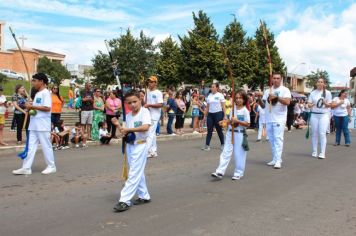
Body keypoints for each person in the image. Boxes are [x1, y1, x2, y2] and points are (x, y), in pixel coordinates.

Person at [112, 91, 152, 213]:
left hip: (140, 145)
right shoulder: (128, 116)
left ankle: (124, 200)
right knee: (137, 171)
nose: (132, 105)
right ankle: (144, 195)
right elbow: (124, 132)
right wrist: (117, 125)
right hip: (130, 146)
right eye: (129, 103)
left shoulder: (145, 112)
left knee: (134, 173)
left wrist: (129, 128)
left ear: (140, 100)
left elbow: (146, 127)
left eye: (135, 101)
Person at [12, 73, 56, 175]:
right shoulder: (37, 94)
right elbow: (37, 109)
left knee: (46, 146)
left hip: (42, 125)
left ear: (41, 81)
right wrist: (30, 107)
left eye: (34, 80)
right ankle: (26, 167)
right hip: (34, 124)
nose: (33, 83)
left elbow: (47, 108)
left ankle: (51, 166)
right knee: (30, 147)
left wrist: (32, 107)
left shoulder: (46, 93)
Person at [211, 90, 250, 180]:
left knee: (238, 154)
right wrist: (224, 122)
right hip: (230, 133)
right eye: (236, 98)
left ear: (244, 99)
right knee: (225, 152)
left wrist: (238, 121)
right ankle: (220, 171)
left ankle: (238, 172)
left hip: (239, 134)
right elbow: (230, 120)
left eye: (240, 98)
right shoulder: (233, 109)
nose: (238, 100)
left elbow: (247, 124)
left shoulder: (245, 111)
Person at [260, 73, 291, 169]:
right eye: (274, 78)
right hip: (269, 118)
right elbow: (263, 105)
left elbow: (287, 102)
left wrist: (276, 97)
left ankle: (278, 160)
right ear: (272, 79)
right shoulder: (267, 91)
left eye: (278, 78)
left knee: (278, 139)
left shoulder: (285, 90)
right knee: (272, 140)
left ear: (281, 79)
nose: (276, 80)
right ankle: (275, 158)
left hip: (279, 118)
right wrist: (258, 98)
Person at [307, 78, 332, 159]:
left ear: (324, 84)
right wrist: (311, 105)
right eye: (318, 82)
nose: (320, 83)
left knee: (322, 133)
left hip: (324, 115)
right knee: (314, 133)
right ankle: (314, 151)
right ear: (316, 83)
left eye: (321, 82)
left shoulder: (327, 93)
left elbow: (329, 105)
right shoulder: (313, 93)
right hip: (314, 115)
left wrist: (325, 103)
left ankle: (322, 152)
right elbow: (309, 104)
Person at [202, 83, 226, 151]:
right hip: (210, 115)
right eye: (211, 87)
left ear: (217, 88)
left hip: (218, 114)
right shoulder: (209, 95)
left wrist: (224, 116)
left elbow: (223, 106)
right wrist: (204, 116)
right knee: (209, 130)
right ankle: (207, 145)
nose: (211, 88)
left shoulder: (220, 95)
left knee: (219, 130)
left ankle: (223, 144)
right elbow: (207, 107)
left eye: (213, 87)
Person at [144, 76, 163, 158]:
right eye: (148, 82)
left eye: (151, 82)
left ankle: (147, 151)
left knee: (149, 133)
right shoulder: (147, 91)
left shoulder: (158, 92)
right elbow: (145, 102)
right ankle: (153, 151)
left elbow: (160, 104)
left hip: (154, 116)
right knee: (152, 134)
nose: (149, 83)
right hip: (147, 115)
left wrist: (149, 105)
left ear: (155, 83)